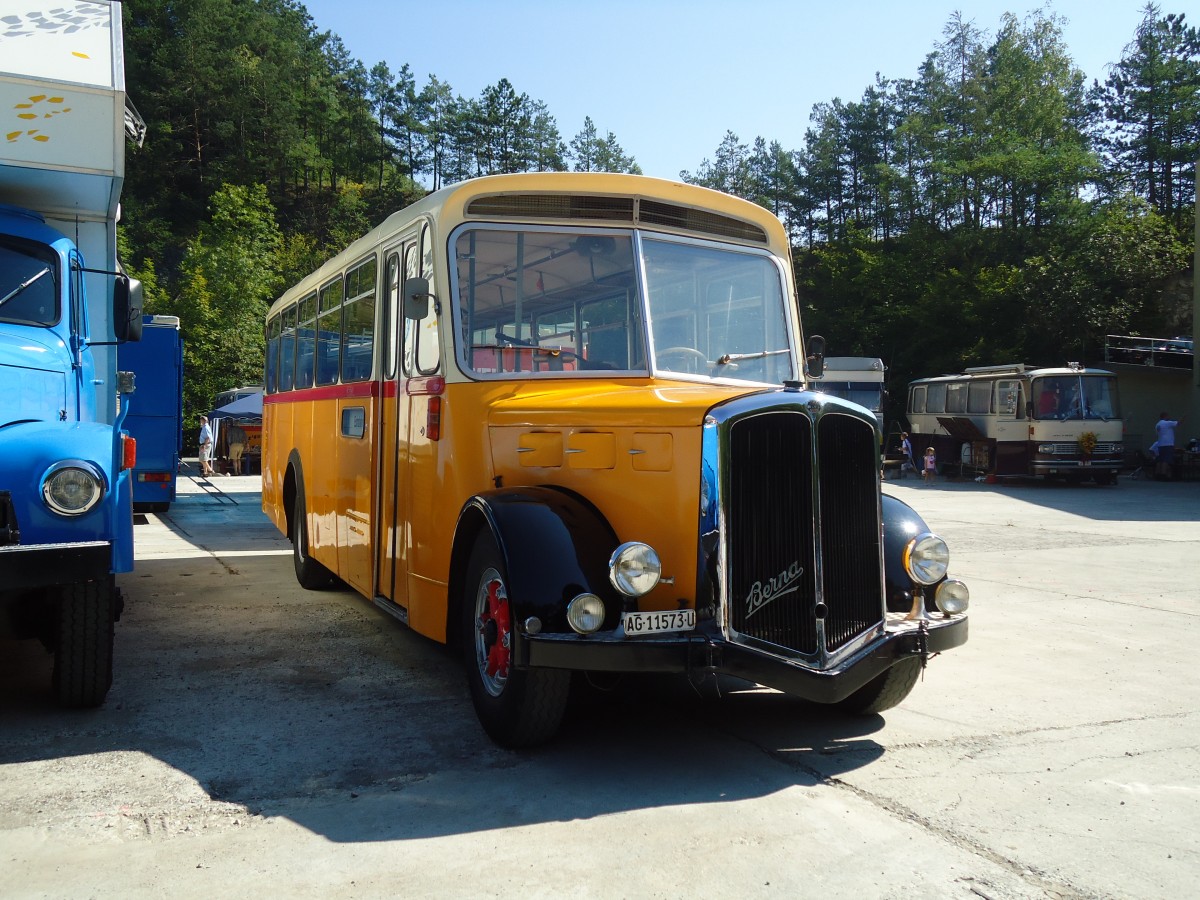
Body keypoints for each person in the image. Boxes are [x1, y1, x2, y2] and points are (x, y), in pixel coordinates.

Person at [1155, 411, 1180, 479]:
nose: (1169, 417)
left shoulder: (1158, 424)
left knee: (1160, 460)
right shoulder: (1167, 423)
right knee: (1166, 460)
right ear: (1165, 416)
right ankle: (1163, 475)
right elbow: (1178, 423)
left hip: (1160, 444)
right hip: (1168, 444)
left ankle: (1157, 474)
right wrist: (1184, 417)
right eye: (1168, 416)